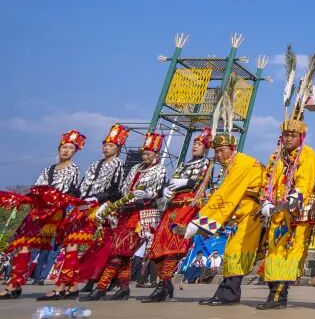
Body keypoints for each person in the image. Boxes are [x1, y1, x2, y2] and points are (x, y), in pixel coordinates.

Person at [81, 131, 167, 302]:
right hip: (125, 212)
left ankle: (101, 287)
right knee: (123, 252)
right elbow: (124, 190)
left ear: (157, 154)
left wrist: (148, 194)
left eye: (149, 153)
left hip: (142, 215)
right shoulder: (135, 168)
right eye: (144, 153)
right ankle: (124, 288)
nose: (145, 156)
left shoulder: (160, 169)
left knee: (119, 252)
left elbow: (158, 192)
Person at [0, 129, 83, 300]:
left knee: (69, 245)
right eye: (64, 147)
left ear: (75, 152)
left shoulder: (73, 169)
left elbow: (67, 191)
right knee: (22, 243)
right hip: (39, 211)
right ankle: (15, 284)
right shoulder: (48, 169)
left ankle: (68, 285)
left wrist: (52, 199)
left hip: (57, 212)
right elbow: (37, 188)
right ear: (59, 149)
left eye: (70, 148)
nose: (66, 150)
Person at [184, 133, 265, 306]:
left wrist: (201, 221)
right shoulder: (232, 164)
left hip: (251, 212)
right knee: (231, 252)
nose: (218, 155)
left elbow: (227, 193)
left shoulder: (242, 163)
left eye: (222, 150)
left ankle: (229, 294)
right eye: (216, 151)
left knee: (237, 252)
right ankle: (225, 293)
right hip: (242, 211)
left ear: (232, 149)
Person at [141, 127, 215, 303]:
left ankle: (162, 286)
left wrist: (186, 182)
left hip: (187, 207)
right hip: (172, 207)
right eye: (194, 143)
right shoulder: (184, 164)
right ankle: (166, 284)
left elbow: (202, 182)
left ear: (206, 148)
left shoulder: (207, 163)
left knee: (173, 245)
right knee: (159, 245)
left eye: (199, 144)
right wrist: (165, 190)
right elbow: (171, 181)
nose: (195, 146)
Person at [57, 124, 130, 297]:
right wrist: (69, 196)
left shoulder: (118, 164)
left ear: (118, 148)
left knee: (98, 245)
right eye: (105, 145)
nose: (106, 148)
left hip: (102, 209)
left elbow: (116, 190)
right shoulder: (95, 164)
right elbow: (82, 186)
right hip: (84, 206)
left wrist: (99, 199)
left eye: (110, 145)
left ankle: (91, 280)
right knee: (74, 242)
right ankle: (74, 283)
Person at [255, 114, 315, 310]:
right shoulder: (276, 156)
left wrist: (297, 194)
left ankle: (278, 296)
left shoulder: (308, 154)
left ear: (301, 137)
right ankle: (274, 292)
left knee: (291, 252)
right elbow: (268, 180)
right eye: (286, 135)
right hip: (278, 211)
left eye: (293, 135)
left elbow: (305, 179)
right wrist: (266, 200)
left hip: (299, 212)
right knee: (274, 249)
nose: (288, 138)